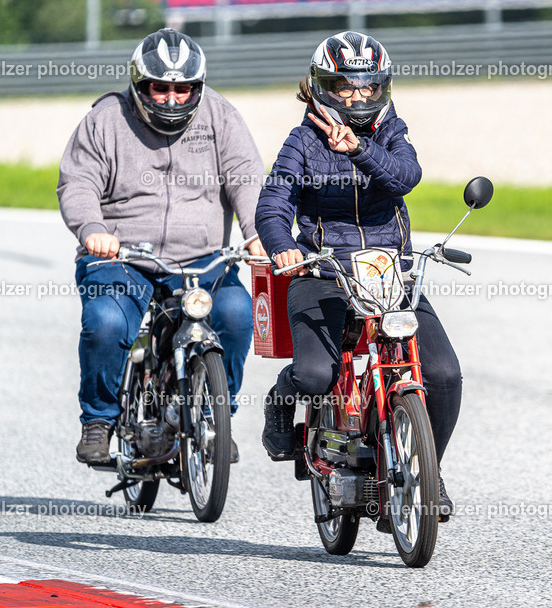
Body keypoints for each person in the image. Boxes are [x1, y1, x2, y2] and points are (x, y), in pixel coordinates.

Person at [254, 31, 461, 519]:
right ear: (322, 87)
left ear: (382, 88)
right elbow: (273, 202)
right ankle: (280, 401)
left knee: (444, 374)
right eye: (346, 88)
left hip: (390, 274)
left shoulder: (391, 130)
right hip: (323, 271)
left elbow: (405, 177)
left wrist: (358, 150)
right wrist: (283, 247)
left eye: (368, 88)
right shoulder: (302, 140)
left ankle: (425, 472)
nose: (358, 98)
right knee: (313, 375)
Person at [57, 28, 265, 465]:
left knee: (236, 314)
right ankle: (99, 419)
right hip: (122, 256)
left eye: (183, 89)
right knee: (107, 322)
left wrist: (255, 232)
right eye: (161, 87)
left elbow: (246, 178)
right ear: (139, 83)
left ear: (198, 86)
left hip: (203, 260)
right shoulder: (105, 120)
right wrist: (93, 228)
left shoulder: (221, 117)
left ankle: (213, 417)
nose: (172, 98)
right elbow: (78, 183)